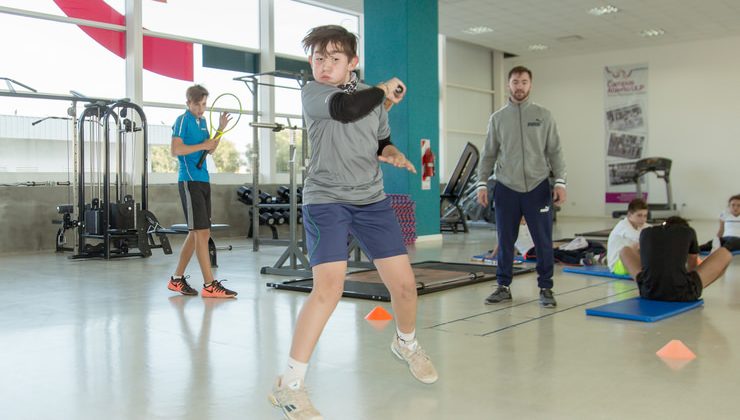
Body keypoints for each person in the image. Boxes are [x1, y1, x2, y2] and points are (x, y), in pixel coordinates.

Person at [268, 25, 437, 420]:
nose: (324, 66)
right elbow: (347, 109)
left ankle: (406, 344)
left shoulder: (371, 100)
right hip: (326, 200)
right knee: (328, 289)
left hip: (371, 201)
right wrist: (382, 89)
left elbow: (379, 140)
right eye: (318, 58)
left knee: (406, 287)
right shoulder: (313, 93)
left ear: (352, 62)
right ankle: (289, 386)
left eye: (334, 58)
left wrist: (392, 152)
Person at [476, 65, 567, 308]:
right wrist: (481, 184)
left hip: (538, 187)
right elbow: (488, 154)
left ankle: (546, 288)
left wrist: (560, 181)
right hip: (506, 187)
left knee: (543, 240)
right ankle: (503, 286)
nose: (519, 86)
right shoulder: (497, 119)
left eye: (524, 82)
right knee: (505, 239)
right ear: (509, 85)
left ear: (530, 84)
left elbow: (555, 151)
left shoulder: (543, 116)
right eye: (515, 82)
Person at [167, 85, 237, 299]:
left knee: (197, 232)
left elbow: (210, 148)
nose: (201, 108)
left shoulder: (203, 121)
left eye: (204, 104)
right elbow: (175, 150)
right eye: (197, 104)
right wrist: (202, 145)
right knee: (202, 233)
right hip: (189, 181)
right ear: (188, 103)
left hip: (203, 179)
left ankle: (176, 280)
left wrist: (220, 129)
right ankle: (209, 284)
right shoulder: (182, 120)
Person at [619, 216, 739, 301]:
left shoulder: (646, 231)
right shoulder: (688, 232)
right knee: (725, 253)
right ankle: (696, 289)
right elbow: (692, 266)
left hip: (647, 291)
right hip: (682, 294)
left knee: (625, 250)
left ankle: (654, 283)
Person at [606, 198, 650, 275]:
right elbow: (641, 238)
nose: (643, 219)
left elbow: (655, 232)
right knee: (639, 244)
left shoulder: (642, 225)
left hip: (632, 261)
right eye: (639, 215)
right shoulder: (623, 226)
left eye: (645, 216)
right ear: (629, 215)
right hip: (617, 266)